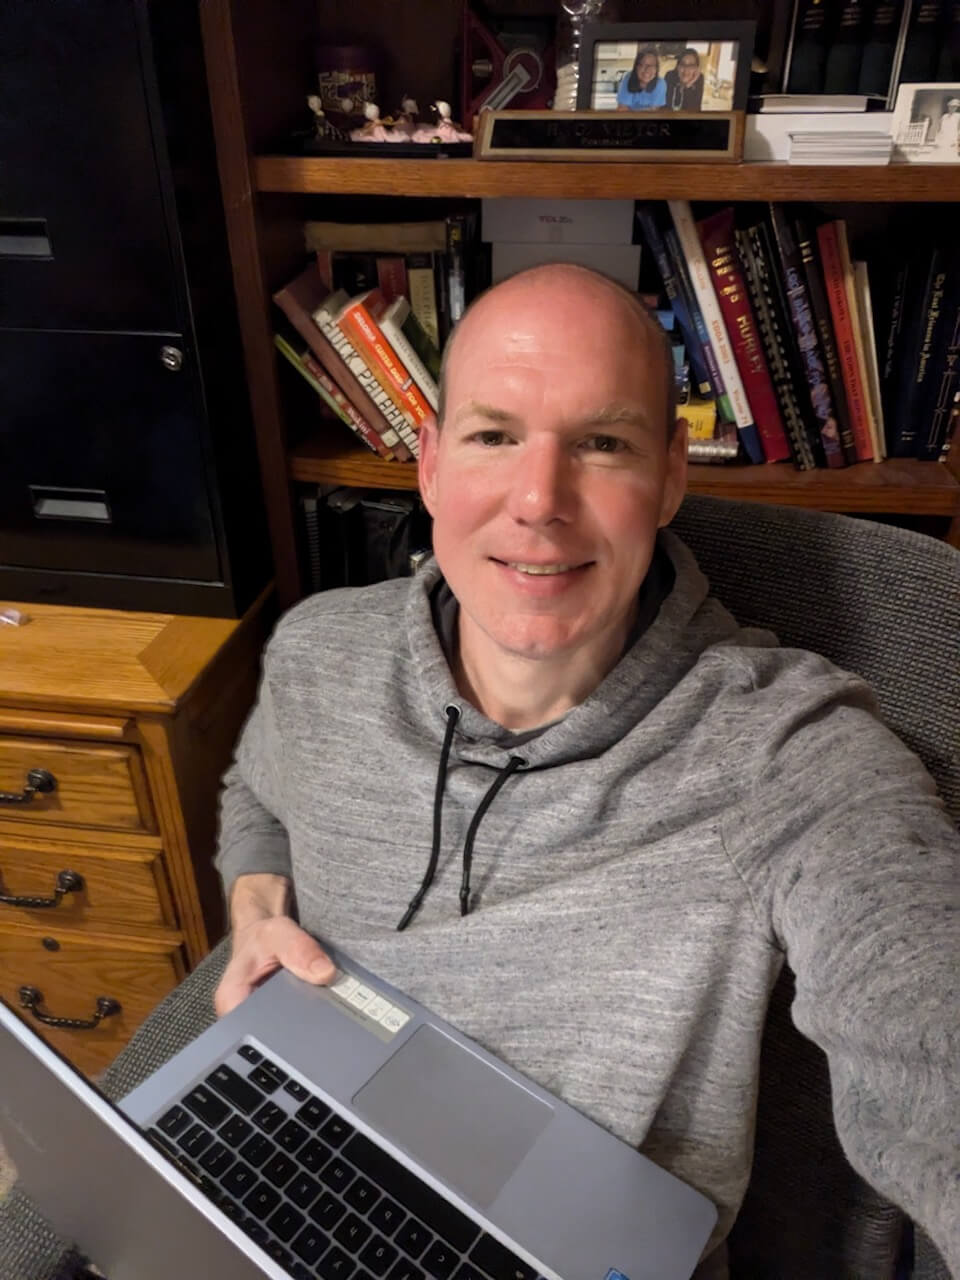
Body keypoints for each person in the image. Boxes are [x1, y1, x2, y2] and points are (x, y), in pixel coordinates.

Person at [214, 264, 960, 1279]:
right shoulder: (319, 651)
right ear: (429, 465)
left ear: (670, 477)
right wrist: (256, 901)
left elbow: (926, 1025)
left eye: (601, 443)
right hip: (305, 1151)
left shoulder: (787, 752)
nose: (539, 500)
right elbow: (256, 787)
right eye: (493, 435)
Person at [616, 45, 667, 110]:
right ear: (636, 67)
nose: (647, 70)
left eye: (651, 66)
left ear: (656, 69)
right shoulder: (628, 78)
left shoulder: (660, 83)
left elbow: (654, 112)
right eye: (642, 65)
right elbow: (622, 109)